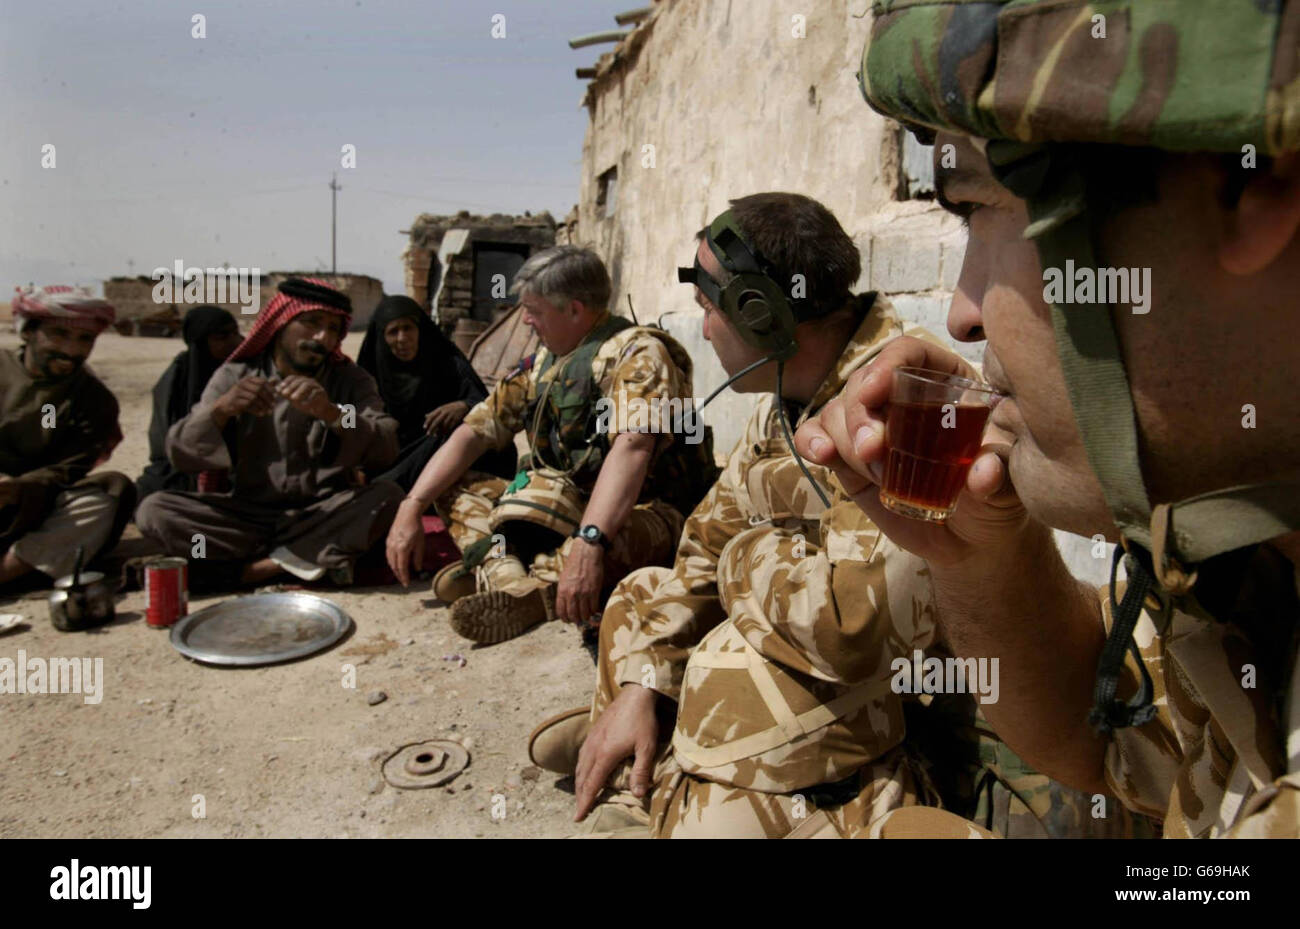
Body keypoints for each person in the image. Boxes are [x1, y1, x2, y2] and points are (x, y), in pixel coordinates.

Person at [795, 0, 1300, 838]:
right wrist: (983, 554)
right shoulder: (1257, 540)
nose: (961, 314)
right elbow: (1107, 749)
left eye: (982, 210)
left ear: (1250, 183)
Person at [527, 194, 1134, 838]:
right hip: (843, 660)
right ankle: (641, 734)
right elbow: (701, 544)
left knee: (749, 666)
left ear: (758, 315)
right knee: (642, 595)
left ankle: (675, 770)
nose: (702, 329)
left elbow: (851, 630)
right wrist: (645, 681)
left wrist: (747, 555)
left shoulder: (913, 401)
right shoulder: (783, 402)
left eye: (709, 309)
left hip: (936, 702)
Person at [386, 245, 716, 645]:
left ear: (575, 310)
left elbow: (634, 448)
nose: (525, 320)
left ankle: (527, 586)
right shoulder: (546, 362)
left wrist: (590, 542)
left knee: (617, 539)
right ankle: (509, 576)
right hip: (565, 505)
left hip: (642, 509)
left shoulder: (638, 355)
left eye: (534, 310)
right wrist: (412, 505)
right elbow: (475, 430)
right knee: (454, 486)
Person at [136, 278, 402, 591]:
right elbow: (180, 453)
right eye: (312, 323)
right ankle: (306, 560)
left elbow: (386, 445)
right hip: (247, 516)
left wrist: (333, 413)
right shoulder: (236, 375)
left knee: (388, 498)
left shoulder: (350, 379)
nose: (323, 337)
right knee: (155, 511)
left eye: (333, 328)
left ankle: (257, 570)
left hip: (323, 511)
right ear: (279, 322)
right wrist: (221, 410)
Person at [0, 286, 134, 586]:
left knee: (110, 492)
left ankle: (6, 571)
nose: (71, 350)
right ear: (28, 332)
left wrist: (19, 488)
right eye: (58, 334)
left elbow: (69, 469)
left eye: (84, 339)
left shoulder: (94, 399)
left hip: (33, 504)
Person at [356, 295, 515, 491]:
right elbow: (354, 422)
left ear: (420, 329)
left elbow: (487, 404)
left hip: (443, 453)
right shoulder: (368, 374)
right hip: (393, 457)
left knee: (474, 433)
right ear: (382, 337)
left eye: (408, 328)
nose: (402, 338)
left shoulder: (446, 360)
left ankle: (393, 487)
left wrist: (463, 406)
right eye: (393, 331)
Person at [135, 305, 242, 501]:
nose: (235, 341)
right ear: (201, 342)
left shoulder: (244, 369)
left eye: (236, 333)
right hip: (184, 462)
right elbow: (165, 439)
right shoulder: (178, 376)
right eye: (222, 337)